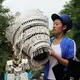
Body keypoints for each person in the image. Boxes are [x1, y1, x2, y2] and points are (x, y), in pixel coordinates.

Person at [43, 13, 77, 80]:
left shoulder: (70, 43)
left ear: (64, 27)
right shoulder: (49, 41)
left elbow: (70, 64)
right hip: (48, 77)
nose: (54, 26)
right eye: (53, 24)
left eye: (57, 24)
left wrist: (54, 55)